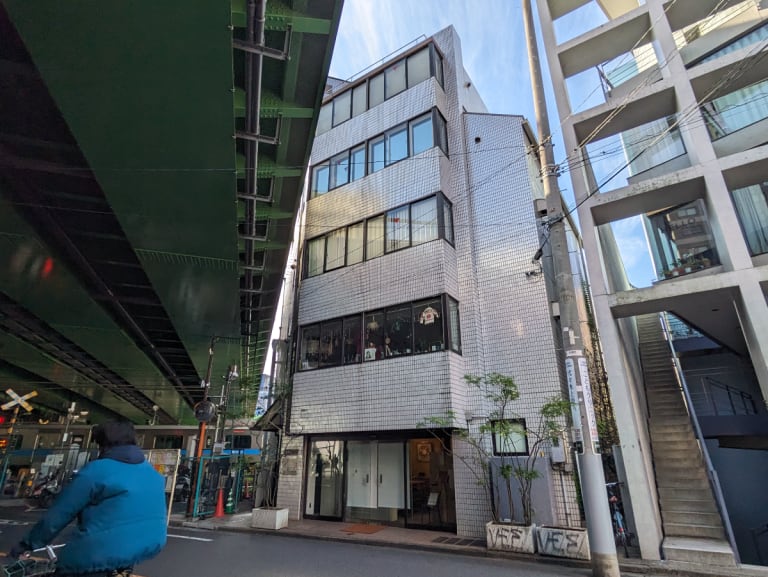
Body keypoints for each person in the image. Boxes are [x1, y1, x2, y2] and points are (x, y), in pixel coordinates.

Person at [9, 420, 167, 576]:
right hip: (144, 547)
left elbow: (60, 514)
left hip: (100, 551)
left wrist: (27, 544)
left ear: (104, 444)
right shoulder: (150, 471)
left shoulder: (97, 471)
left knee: (69, 566)